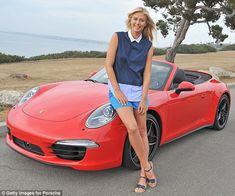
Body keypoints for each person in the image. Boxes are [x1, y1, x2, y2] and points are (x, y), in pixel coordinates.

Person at [105, 7, 157, 193]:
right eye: (135, 19)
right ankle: (148, 167)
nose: (137, 23)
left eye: (141, 20)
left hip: (138, 93)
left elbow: (147, 74)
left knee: (143, 131)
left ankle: (143, 174)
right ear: (130, 20)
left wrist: (143, 98)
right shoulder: (118, 37)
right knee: (132, 128)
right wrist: (117, 90)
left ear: (146, 24)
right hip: (119, 91)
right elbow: (108, 65)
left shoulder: (148, 45)